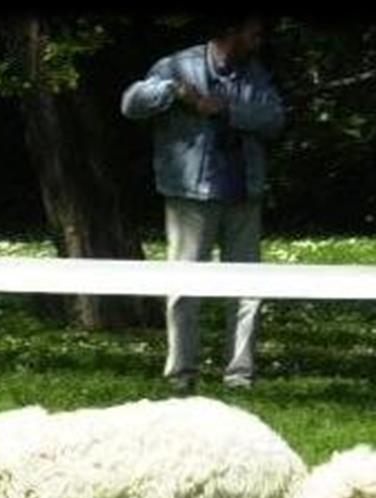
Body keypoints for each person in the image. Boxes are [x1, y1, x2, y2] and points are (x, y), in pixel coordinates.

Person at [121, 14, 284, 392]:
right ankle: (182, 374)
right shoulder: (178, 65)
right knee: (183, 286)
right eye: (253, 32)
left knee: (248, 290)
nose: (258, 41)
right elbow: (131, 103)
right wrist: (173, 91)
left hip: (244, 194)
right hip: (190, 196)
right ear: (231, 31)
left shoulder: (254, 73)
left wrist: (224, 109)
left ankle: (239, 374)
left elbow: (274, 118)